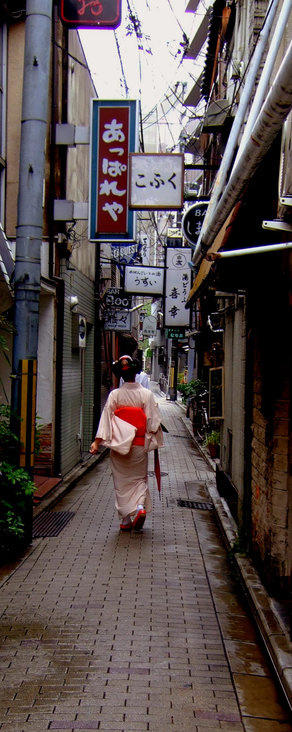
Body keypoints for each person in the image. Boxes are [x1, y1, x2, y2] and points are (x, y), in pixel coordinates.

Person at [90, 355, 163, 532]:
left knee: (121, 483)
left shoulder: (115, 395)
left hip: (119, 446)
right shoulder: (146, 395)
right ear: (136, 373)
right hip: (139, 446)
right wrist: (151, 437)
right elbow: (153, 423)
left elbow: (106, 419)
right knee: (139, 479)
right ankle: (139, 507)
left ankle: (125, 521)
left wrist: (97, 441)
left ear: (121, 375)